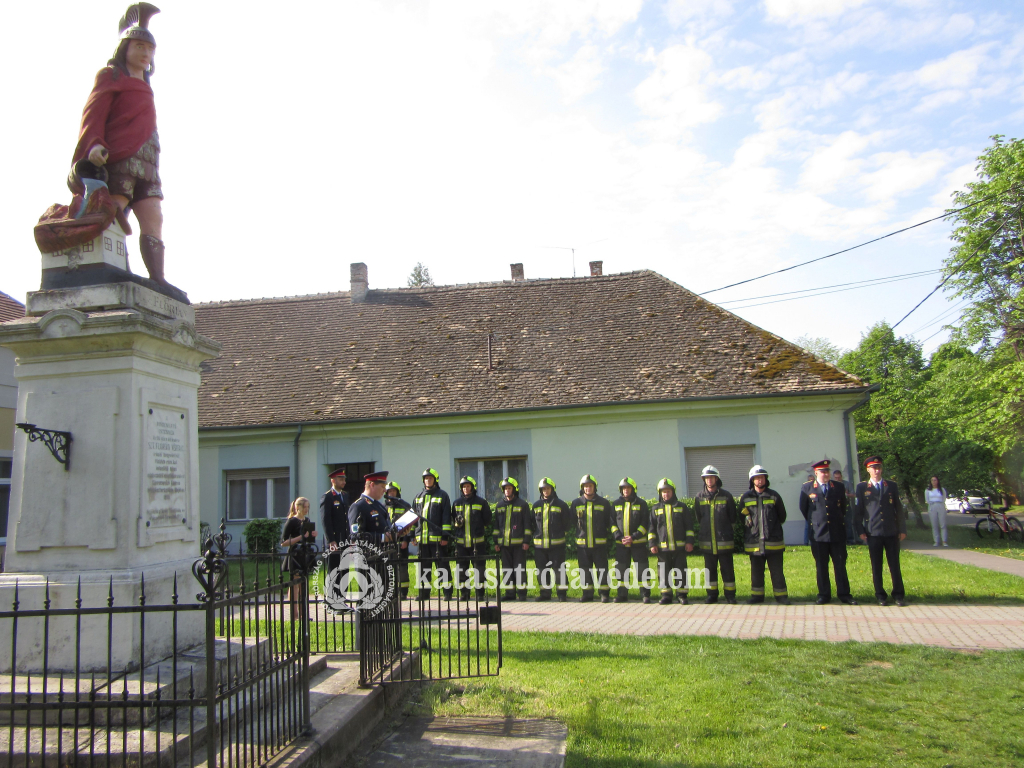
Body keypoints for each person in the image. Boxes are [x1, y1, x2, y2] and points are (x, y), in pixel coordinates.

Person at [70, 4, 169, 283]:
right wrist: (94, 144)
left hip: (148, 160)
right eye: (138, 46)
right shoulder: (111, 76)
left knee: (154, 216)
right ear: (125, 47)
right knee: (115, 211)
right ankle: (111, 267)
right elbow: (94, 113)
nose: (144, 53)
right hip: (121, 156)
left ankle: (157, 279)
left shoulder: (146, 85)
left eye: (149, 49)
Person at [800, 459, 857, 605]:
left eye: (827, 471)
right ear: (816, 473)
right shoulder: (807, 488)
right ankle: (824, 595)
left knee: (840, 565)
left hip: (837, 533)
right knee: (821, 566)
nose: (826, 474)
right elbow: (804, 509)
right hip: (818, 533)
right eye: (822, 472)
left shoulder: (838, 486)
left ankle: (844, 594)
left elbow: (843, 507)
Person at [857, 457, 907, 607]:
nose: (876, 470)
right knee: (876, 566)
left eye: (878, 467)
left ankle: (898, 595)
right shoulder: (862, 487)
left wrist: (902, 529)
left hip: (891, 532)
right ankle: (880, 595)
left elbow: (898, 508)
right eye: (873, 468)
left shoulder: (891, 485)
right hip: (873, 532)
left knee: (894, 565)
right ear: (868, 470)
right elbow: (859, 511)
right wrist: (860, 530)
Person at [739, 466, 790, 605]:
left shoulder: (774, 496)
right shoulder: (746, 497)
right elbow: (741, 517)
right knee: (756, 572)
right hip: (754, 542)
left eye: (761, 477)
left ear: (765, 479)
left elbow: (782, 516)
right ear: (752, 480)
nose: (759, 480)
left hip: (773, 541)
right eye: (756, 478)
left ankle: (781, 596)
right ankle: (757, 596)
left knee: (777, 571)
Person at [690, 466, 738, 604]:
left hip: (724, 541)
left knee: (727, 569)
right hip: (707, 541)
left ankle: (730, 595)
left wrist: (726, 532)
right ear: (704, 479)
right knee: (710, 570)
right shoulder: (699, 497)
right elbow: (699, 517)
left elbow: (733, 517)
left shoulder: (726, 496)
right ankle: (712, 595)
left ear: (716, 478)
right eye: (706, 478)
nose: (709, 480)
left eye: (711, 477)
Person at [647, 478, 692, 605]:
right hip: (662, 548)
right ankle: (666, 595)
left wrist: (689, 542)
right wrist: (652, 544)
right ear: (660, 493)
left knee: (680, 571)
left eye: (668, 491)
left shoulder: (682, 507)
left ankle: (682, 595)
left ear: (673, 492)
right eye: (663, 492)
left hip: (680, 547)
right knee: (663, 572)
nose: (666, 494)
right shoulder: (655, 508)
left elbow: (689, 527)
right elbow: (651, 528)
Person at [571, 475, 613, 603]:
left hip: (599, 544)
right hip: (583, 545)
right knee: (584, 570)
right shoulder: (576, 503)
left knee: (602, 569)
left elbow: (608, 521)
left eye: (590, 486)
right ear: (582, 488)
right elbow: (572, 522)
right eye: (585, 486)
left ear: (594, 487)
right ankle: (587, 594)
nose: (588, 488)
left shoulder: (604, 503)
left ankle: (604, 593)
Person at [412, 468, 453, 600]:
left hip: (437, 539)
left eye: (430, 478)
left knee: (442, 566)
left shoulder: (443, 495)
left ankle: (447, 592)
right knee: (424, 568)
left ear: (435, 480)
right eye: (425, 478)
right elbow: (413, 518)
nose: (427, 480)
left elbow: (446, 518)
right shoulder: (418, 497)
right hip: (422, 540)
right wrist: (413, 535)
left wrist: (445, 536)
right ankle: (424, 593)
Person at [611, 478, 652, 603]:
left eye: (628, 488)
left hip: (638, 544)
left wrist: (633, 537)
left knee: (642, 569)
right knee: (622, 569)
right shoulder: (616, 504)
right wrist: (619, 536)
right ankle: (622, 595)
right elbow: (612, 523)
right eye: (623, 488)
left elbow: (645, 523)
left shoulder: (641, 504)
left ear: (633, 489)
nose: (625, 490)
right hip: (621, 544)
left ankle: (645, 595)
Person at [451, 476, 492, 601]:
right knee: (462, 570)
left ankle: (480, 594)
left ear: (473, 488)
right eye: (463, 487)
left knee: (479, 569)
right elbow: (453, 519)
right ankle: (465, 594)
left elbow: (487, 519)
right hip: (461, 543)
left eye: (468, 486)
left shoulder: (481, 502)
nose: (465, 489)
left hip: (477, 543)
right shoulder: (456, 503)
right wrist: (457, 523)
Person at [493, 477, 532, 601]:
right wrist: (496, 542)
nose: (507, 491)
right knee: (507, 569)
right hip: (504, 545)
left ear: (514, 490)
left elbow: (527, 524)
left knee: (519, 568)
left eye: (509, 488)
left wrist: (526, 541)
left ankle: (522, 594)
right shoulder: (499, 506)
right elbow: (496, 526)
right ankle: (510, 593)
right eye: (505, 489)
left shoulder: (523, 505)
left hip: (519, 544)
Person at [532, 477, 569, 602]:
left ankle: (562, 594)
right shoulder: (536, 505)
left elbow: (567, 524)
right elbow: (532, 524)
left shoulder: (561, 504)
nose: (546, 491)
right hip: (540, 546)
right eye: (543, 489)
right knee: (542, 571)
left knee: (559, 570)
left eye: (548, 488)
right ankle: (545, 594)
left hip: (557, 545)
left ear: (552, 489)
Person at [280, 496, 317, 618]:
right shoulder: (291, 521)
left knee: (303, 584)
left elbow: (309, 539)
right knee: (295, 584)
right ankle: (294, 614)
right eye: (304, 507)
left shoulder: (307, 520)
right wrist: (300, 537)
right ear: (297, 507)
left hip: (305, 553)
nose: (306, 509)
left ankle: (303, 613)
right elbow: (284, 542)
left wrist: (312, 535)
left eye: (308, 507)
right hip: (295, 553)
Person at [347, 471, 394, 544]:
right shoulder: (358, 506)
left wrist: (397, 533)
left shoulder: (379, 505)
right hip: (370, 553)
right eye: (382, 487)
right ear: (372, 485)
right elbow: (355, 536)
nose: (385, 490)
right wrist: (382, 537)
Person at [385, 481, 413, 598]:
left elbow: (410, 524)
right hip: (387, 543)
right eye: (389, 491)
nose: (391, 493)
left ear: (398, 492)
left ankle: (403, 592)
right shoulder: (382, 507)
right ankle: (391, 591)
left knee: (402, 566)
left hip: (401, 542)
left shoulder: (405, 505)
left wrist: (406, 540)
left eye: (393, 491)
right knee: (389, 567)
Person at [320, 468, 350, 552]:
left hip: (345, 538)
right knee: (335, 564)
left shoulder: (345, 495)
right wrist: (331, 540)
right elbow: (326, 520)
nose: (344, 482)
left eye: (344, 480)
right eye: (341, 480)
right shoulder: (328, 496)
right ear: (333, 480)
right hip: (335, 538)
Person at [834, 469, 858, 545]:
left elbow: (854, 494)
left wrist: (846, 495)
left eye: (839, 477)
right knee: (837, 524)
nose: (837, 479)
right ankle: (839, 540)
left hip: (846, 505)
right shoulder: (832, 484)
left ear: (841, 476)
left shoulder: (847, 484)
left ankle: (850, 540)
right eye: (836, 478)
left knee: (848, 523)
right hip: (835, 506)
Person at [925, 475, 949, 547]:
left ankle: (944, 541)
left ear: (937, 481)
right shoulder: (928, 490)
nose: (934, 482)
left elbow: (944, 498)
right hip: (932, 506)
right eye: (932, 480)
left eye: (935, 480)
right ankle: (936, 541)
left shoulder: (942, 489)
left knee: (943, 524)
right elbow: (927, 500)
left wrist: (941, 504)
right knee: (934, 525)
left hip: (940, 505)